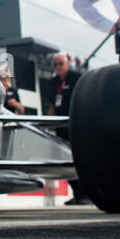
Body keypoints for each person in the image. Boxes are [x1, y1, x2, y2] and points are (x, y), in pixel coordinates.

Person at [48, 53, 90, 205]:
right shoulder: (53, 82)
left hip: (76, 125)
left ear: (67, 63)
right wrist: (48, 125)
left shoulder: (76, 77)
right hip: (60, 127)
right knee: (64, 159)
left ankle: (87, 194)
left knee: (80, 159)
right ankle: (78, 194)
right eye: (55, 65)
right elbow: (52, 105)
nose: (58, 67)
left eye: (60, 63)